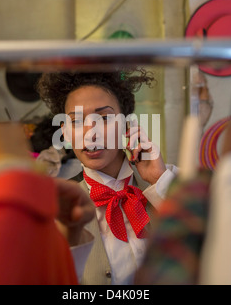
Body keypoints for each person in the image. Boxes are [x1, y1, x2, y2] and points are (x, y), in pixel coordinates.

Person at [37, 68, 179, 285]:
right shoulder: (55, 207)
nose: (90, 133)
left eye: (104, 118)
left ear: (126, 124)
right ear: (64, 132)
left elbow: (212, 244)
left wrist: (159, 181)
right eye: (76, 121)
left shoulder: (168, 182)